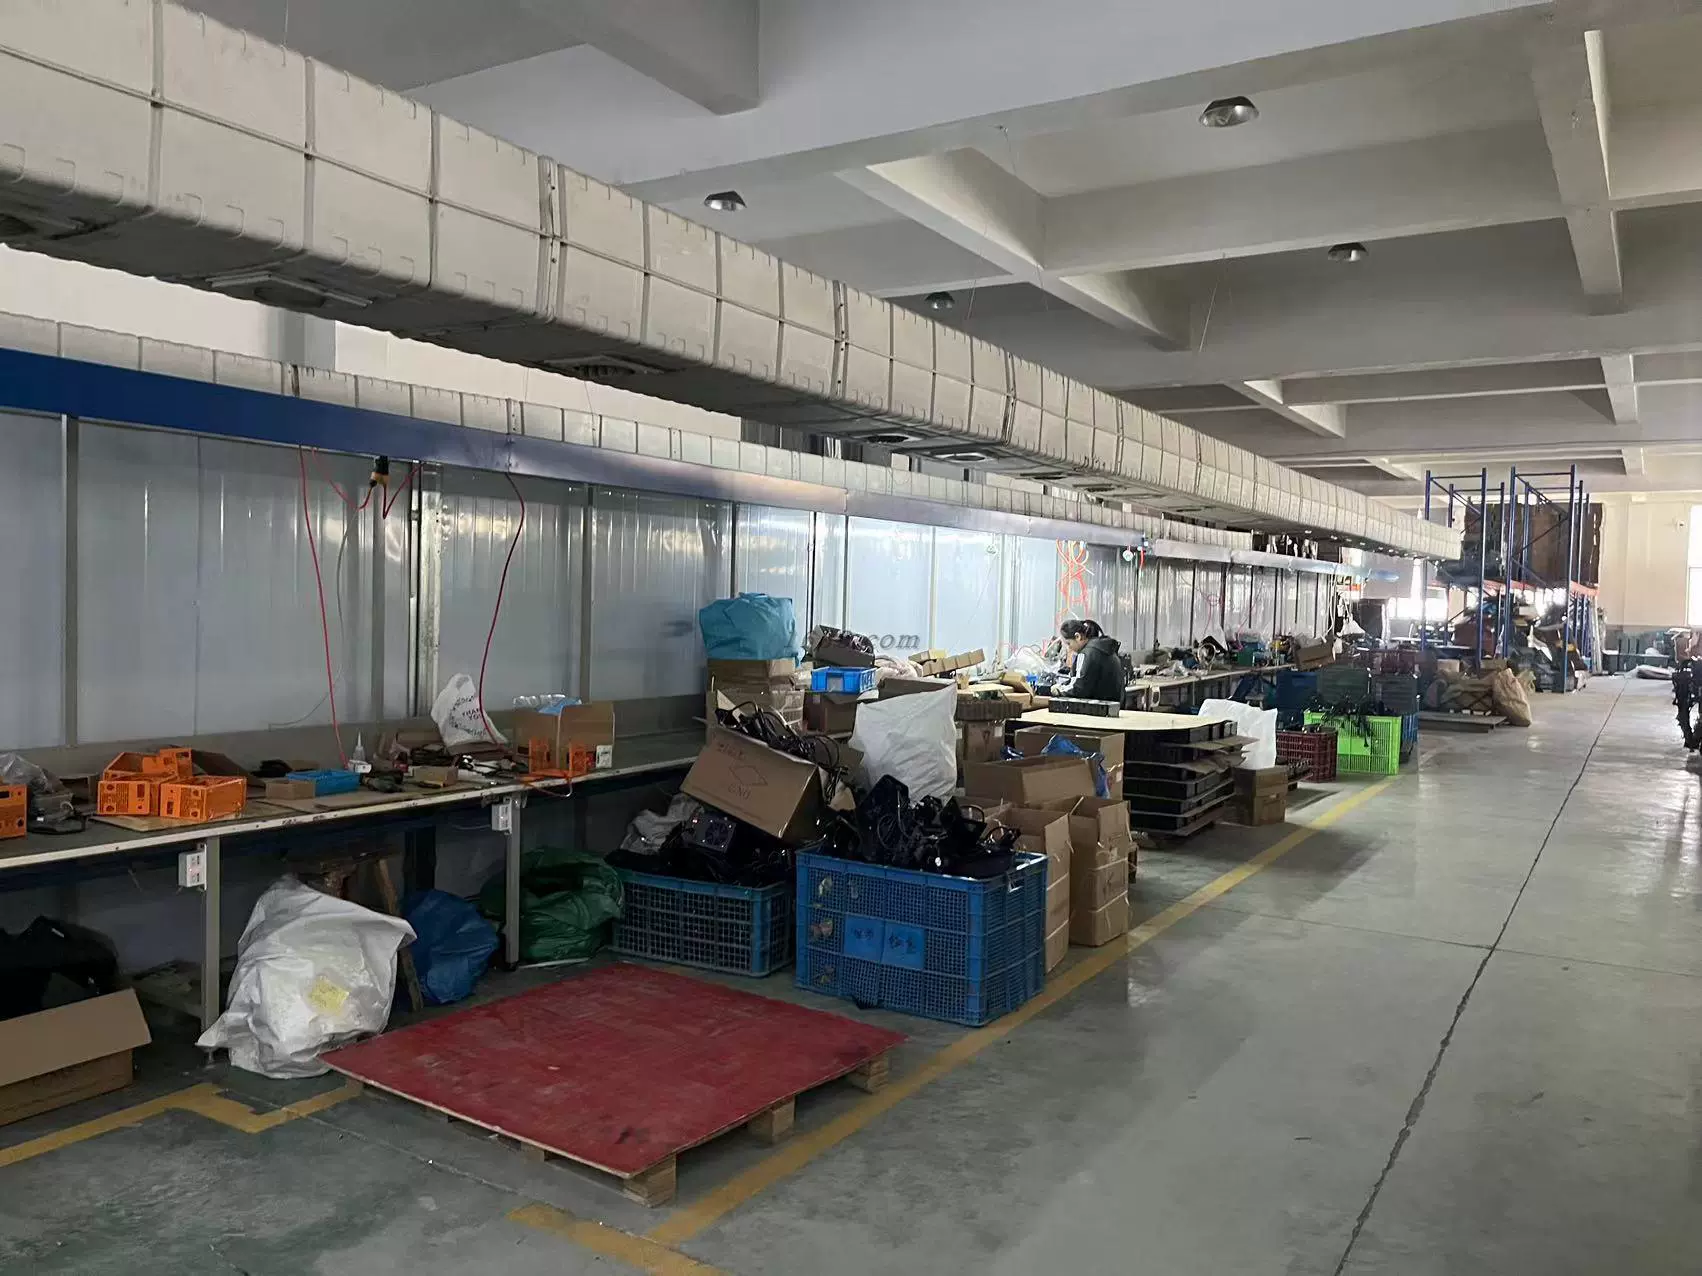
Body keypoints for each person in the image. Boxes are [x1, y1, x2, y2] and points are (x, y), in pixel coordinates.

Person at [1057, 619, 1124, 703]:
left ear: (1078, 637)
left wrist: (1059, 690)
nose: (1069, 648)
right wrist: (1064, 685)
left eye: (1068, 643)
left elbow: (1079, 688)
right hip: (1115, 705)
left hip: (1100, 706)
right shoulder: (1103, 647)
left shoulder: (1086, 653)